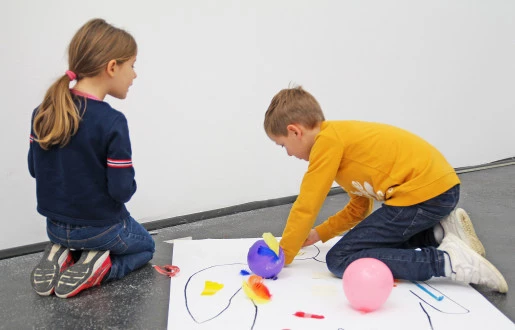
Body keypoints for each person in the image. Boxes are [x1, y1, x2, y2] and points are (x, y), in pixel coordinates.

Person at [263, 86, 508, 293]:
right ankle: (439, 232)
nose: (289, 153)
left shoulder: (327, 143)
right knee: (365, 245)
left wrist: (284, 252)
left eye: (283, 145)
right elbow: (358, 209)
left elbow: (308, 202)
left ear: (295, 131)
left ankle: (448, 262)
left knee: (339, 260)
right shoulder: (340, 144)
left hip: (421, 195)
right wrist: (318, 234)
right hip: (438, 191)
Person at [28, 18, 155, 299]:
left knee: (78, 236)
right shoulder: (111, 121)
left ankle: (63, 253)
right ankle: (102, 268)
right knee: (146, 247)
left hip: (55, 228)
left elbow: (34, 169)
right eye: (132, 65)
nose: (134, 75)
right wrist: (130, 184)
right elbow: (121, 191)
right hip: (102, 229)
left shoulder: (42, 112)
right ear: (112, 67)